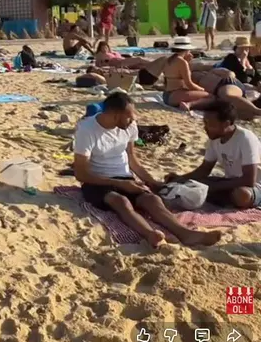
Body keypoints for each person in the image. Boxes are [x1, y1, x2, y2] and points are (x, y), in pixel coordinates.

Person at [72, 91, 221, 248]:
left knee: (152, 200)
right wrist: (120, 184)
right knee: (121, 201)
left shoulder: (129, 127)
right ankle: (150, 235)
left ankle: (186, 234)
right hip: (97, 181)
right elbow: (81, 174)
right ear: (115, 115)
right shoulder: (87, 129)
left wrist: (152, 182)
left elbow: (132, 160)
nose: (133, 120)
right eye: (129, 117)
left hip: (124, 178)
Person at [164, 99, 261, 209]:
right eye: (205, 122)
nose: (205, 127)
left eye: (210, 124)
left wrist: (212, 186)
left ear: (226, 124)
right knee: (197, 183)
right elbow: (204, 169)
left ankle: (218, 196)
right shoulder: (215, 138)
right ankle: (219, 197)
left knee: (242, 195)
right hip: (231, 181)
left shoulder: (245, 139)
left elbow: (249, 180)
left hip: (255, 186)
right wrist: (180, 179)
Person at [162, 37, 213, 109]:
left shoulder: (169, 60)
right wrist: (202, 90)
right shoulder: (182, 62)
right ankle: (189, 104)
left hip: (166, 95)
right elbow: (189, 84)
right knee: (211, 97)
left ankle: (188, 103)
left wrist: (187, 61)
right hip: (175, 95)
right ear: (187, 49)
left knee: (202, 94)